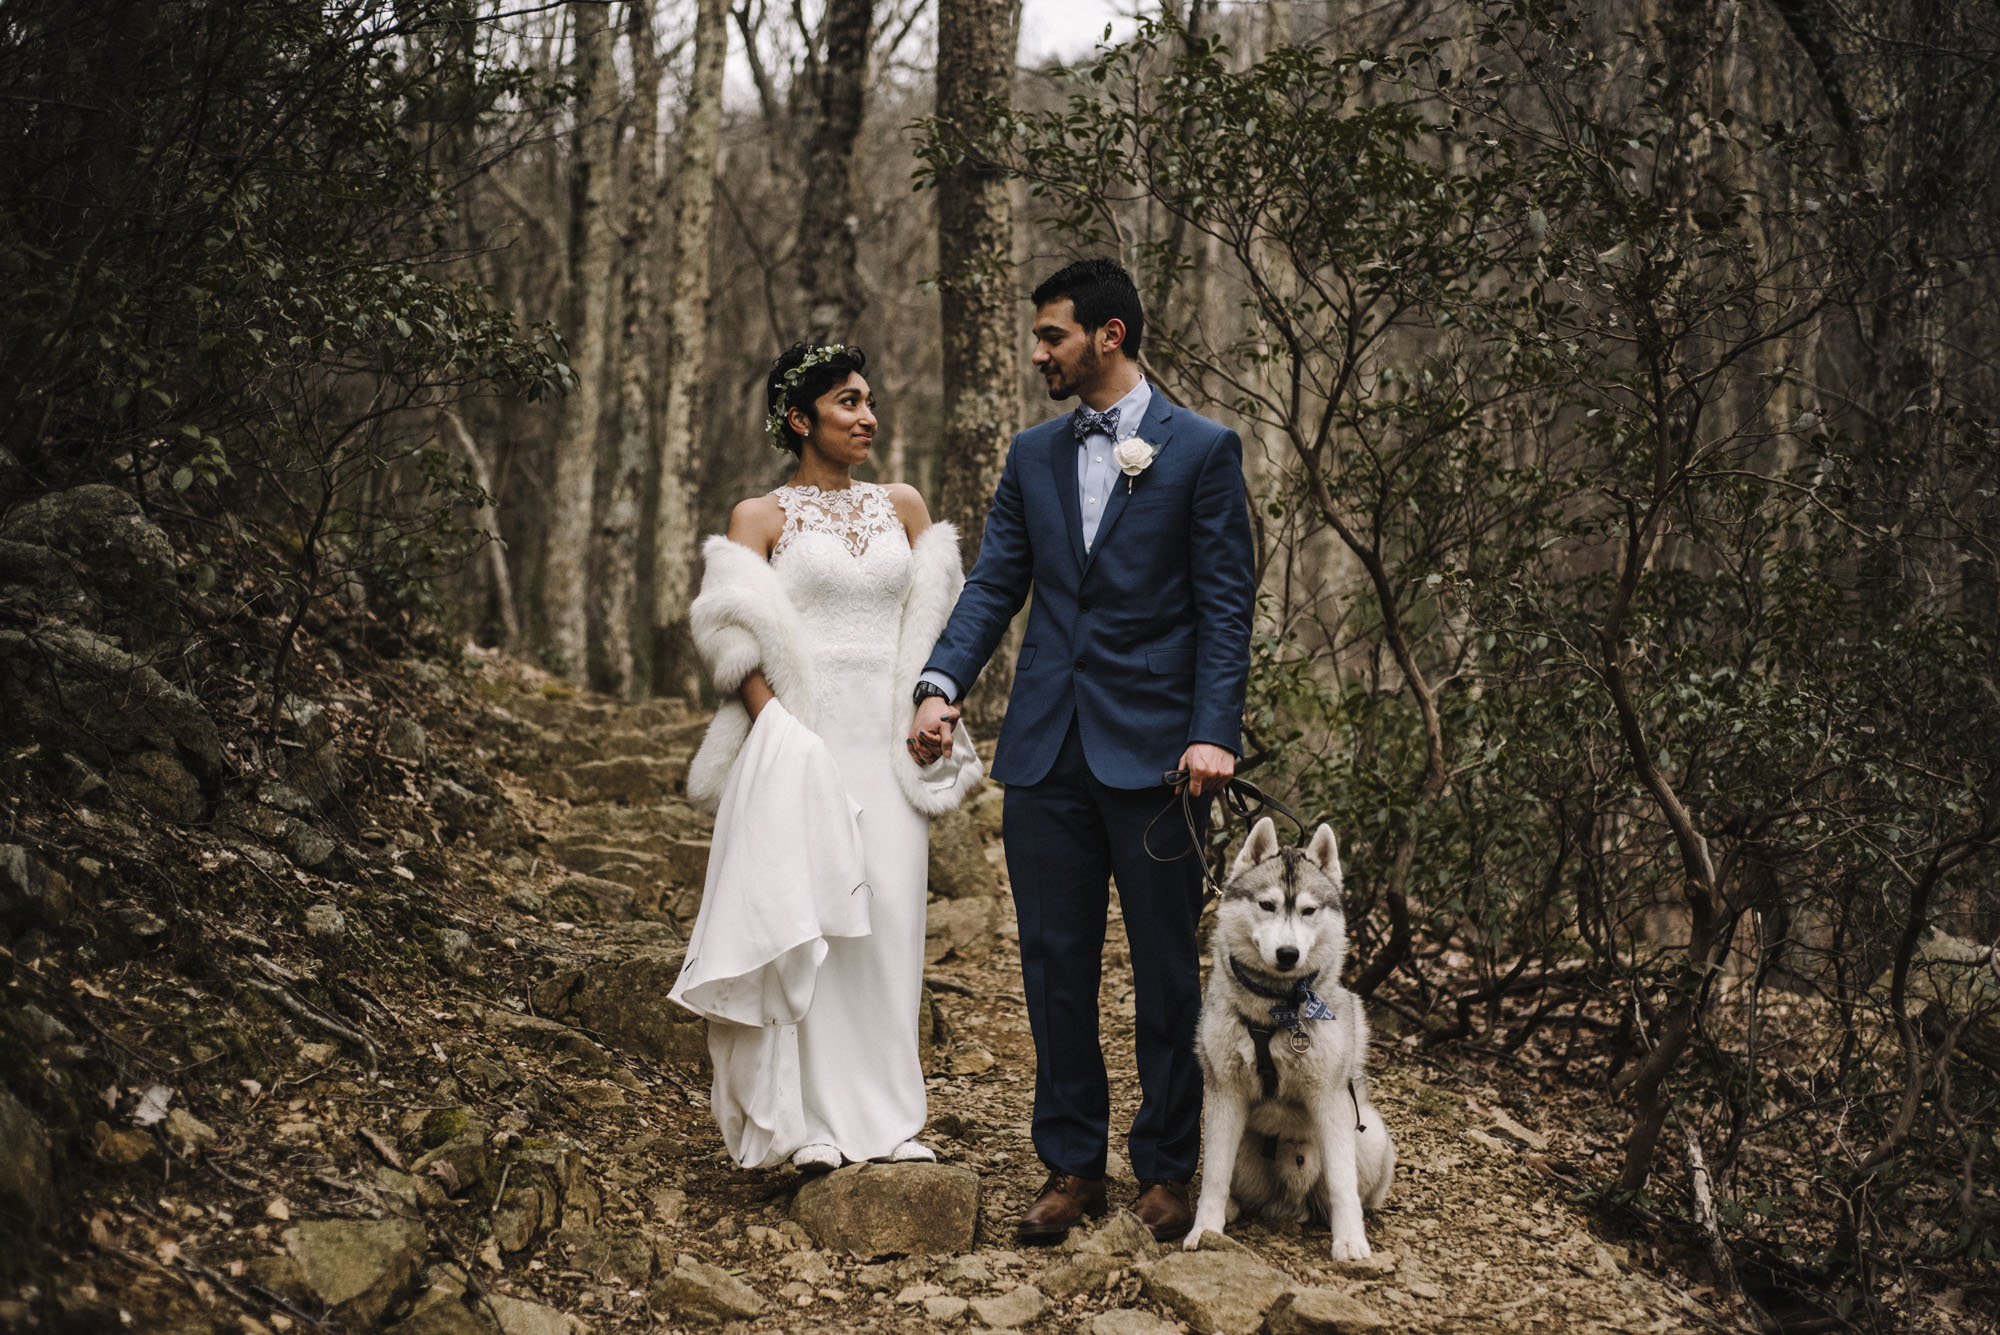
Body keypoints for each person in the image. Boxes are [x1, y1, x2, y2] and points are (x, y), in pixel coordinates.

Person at [908, 259, 1257, 1243]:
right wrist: (939, 684)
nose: (1036, 352)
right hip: (1045, 750)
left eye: (1050, 335)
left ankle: (1166, 1167)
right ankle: (1068, 1165)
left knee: (1162, 969)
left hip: (1158, 755)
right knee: (1053, 964)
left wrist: (1209, 730)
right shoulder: (1029, 457)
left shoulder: (1200, 450)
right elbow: (993, 584)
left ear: (1107, 336)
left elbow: (1225, 605)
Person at [673, 342, 981, 1173]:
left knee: (885, 927)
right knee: (803, 920)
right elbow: (733, 638)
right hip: (799, 744)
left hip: (887, 746)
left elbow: (945, 626)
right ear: (801, 418)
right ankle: (801, 1123)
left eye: (870, 400)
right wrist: (782, 733)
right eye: (848, 401)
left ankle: (889, 1121)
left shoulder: (903, 504)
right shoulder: (758, 517)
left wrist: (937, 704)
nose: (868, 416)